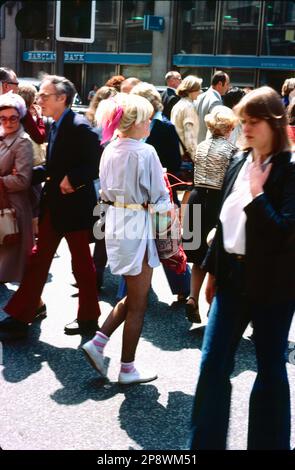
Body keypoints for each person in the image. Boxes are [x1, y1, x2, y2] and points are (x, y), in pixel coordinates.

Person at [189, 86, 295, 450]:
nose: (246, 129)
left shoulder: (290, 169)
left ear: (275, 123)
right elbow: (222, 226)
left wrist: (258, 195)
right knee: (212, 366)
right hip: (232, 279)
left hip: (274, 286)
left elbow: (285, 232)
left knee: (269, 370)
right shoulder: (238, 160)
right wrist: (212, 274)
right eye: (243, 121)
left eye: (254, 121)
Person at [0, 75, 101, 339]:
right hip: (53, 206)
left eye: (44, 95)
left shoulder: (80, 126)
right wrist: (26, 175)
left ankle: (89, 319)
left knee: (82, 265)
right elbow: (53, 167)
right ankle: (22, 314)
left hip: (75, 208)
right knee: (38, 260)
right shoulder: (56, 124)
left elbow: (95, 165)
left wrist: (74, 179)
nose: (39, 99)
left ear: (62, 98)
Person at [82, 93, 171, 384]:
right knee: (139, 303)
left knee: (132, 295)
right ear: (134, 122)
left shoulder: (110, 149)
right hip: (138, 225)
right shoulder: (146, 153)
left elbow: (104, 190)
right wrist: (167, 235)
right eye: (147, 118)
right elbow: (160, 199)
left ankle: (98, 343)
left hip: (115, 223)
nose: (150, 123)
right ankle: (127, 368)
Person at [183, 105, 238, 323]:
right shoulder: (231, 151)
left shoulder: (202, 146)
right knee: (216, 256)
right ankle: (212, 307)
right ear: (229, 128)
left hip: (197, 198)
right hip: (217, 201)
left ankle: (193, 297)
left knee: (197, 256)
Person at [0, 92, 34, 283]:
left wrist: (2, 181)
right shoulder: (2, 135)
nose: (8, 122)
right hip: (2, 201)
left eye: (13, 118)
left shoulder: (22, 142)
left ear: (20, 116)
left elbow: (22, 180)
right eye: (3, 118)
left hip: (13, 208)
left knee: (13, 260)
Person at [171, 75, 202, 207]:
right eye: (198, 89)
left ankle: (179, 219)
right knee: (191, 190)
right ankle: (183, 221)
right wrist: (196, 157)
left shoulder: (178, 105)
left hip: (178, 152)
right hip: (186, 154)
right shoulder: (189, 107)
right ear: (191, 90)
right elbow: (190, 135)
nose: (200, 92)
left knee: (180, 189)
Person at [195, 70, 230, 143]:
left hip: (197, 143)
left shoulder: (200, 96)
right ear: (220, 84)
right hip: (207, 146)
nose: (228, 87)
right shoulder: (215, 101)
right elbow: (217, 127)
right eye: (227, 84)